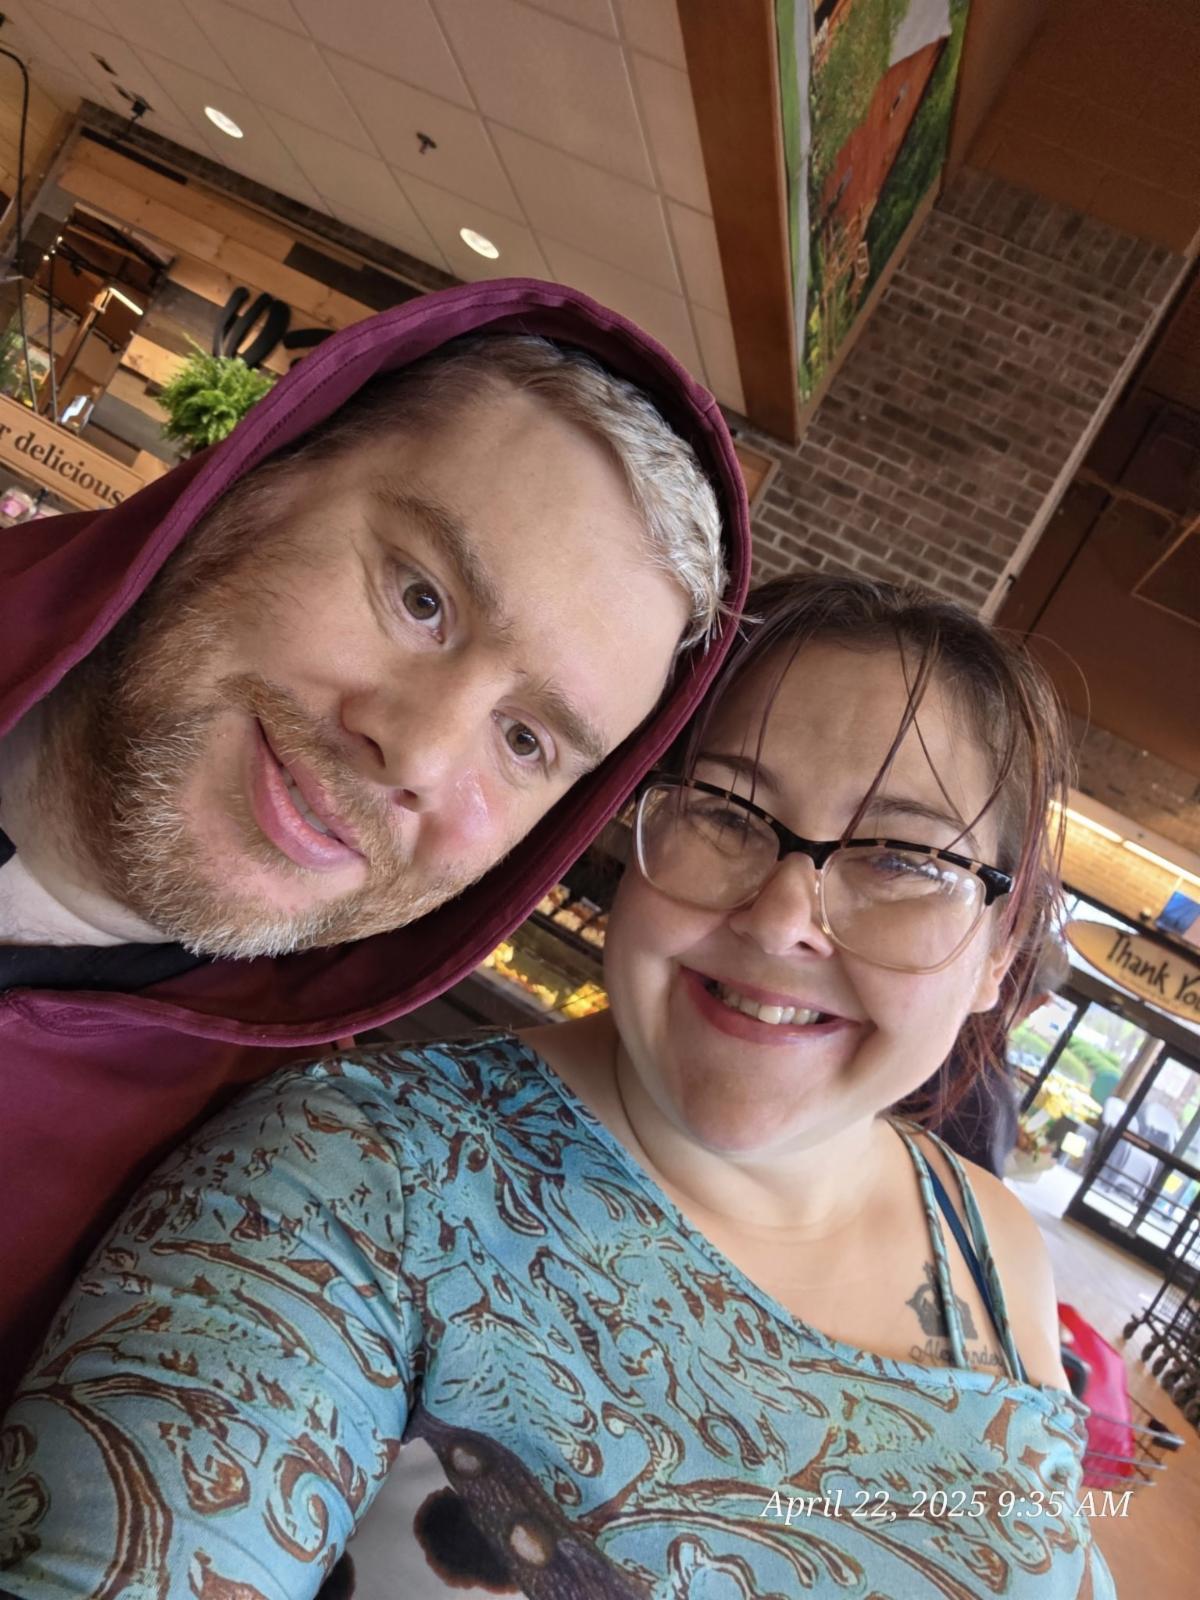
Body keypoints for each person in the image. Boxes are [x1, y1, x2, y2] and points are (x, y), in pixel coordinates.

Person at [0, 574, 1114, 1599]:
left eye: (906, 860)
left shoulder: (987, 1242)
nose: (782, 918)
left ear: (1001, 951)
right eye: (727, 811)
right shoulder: (356, 1171)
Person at [0, 278, 749, 1395]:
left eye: (527, 742)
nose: (418, 752)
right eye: (420, 598)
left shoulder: (257, 1217)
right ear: (257, 475)